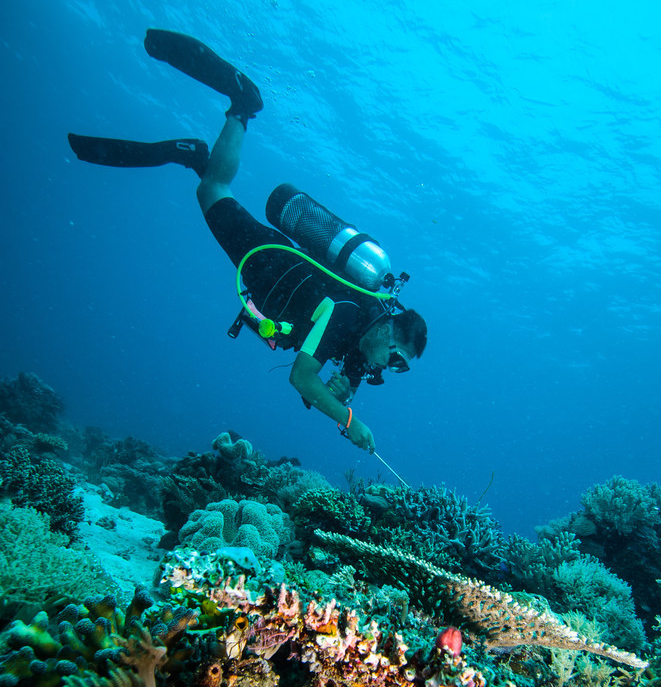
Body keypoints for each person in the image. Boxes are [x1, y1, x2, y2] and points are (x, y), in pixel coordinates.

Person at [68, 30, 428, 453]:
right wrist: (348, 419)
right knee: (213, 191)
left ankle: (199, 158)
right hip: (266, 262)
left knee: (214, 187)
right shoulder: (351, 313)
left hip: (272, 272)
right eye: (398, 358)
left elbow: (336, 377)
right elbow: (301, 377)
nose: (391, 368)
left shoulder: (363, 340)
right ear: (389, 329)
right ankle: (241, 108)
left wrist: (343, 391)